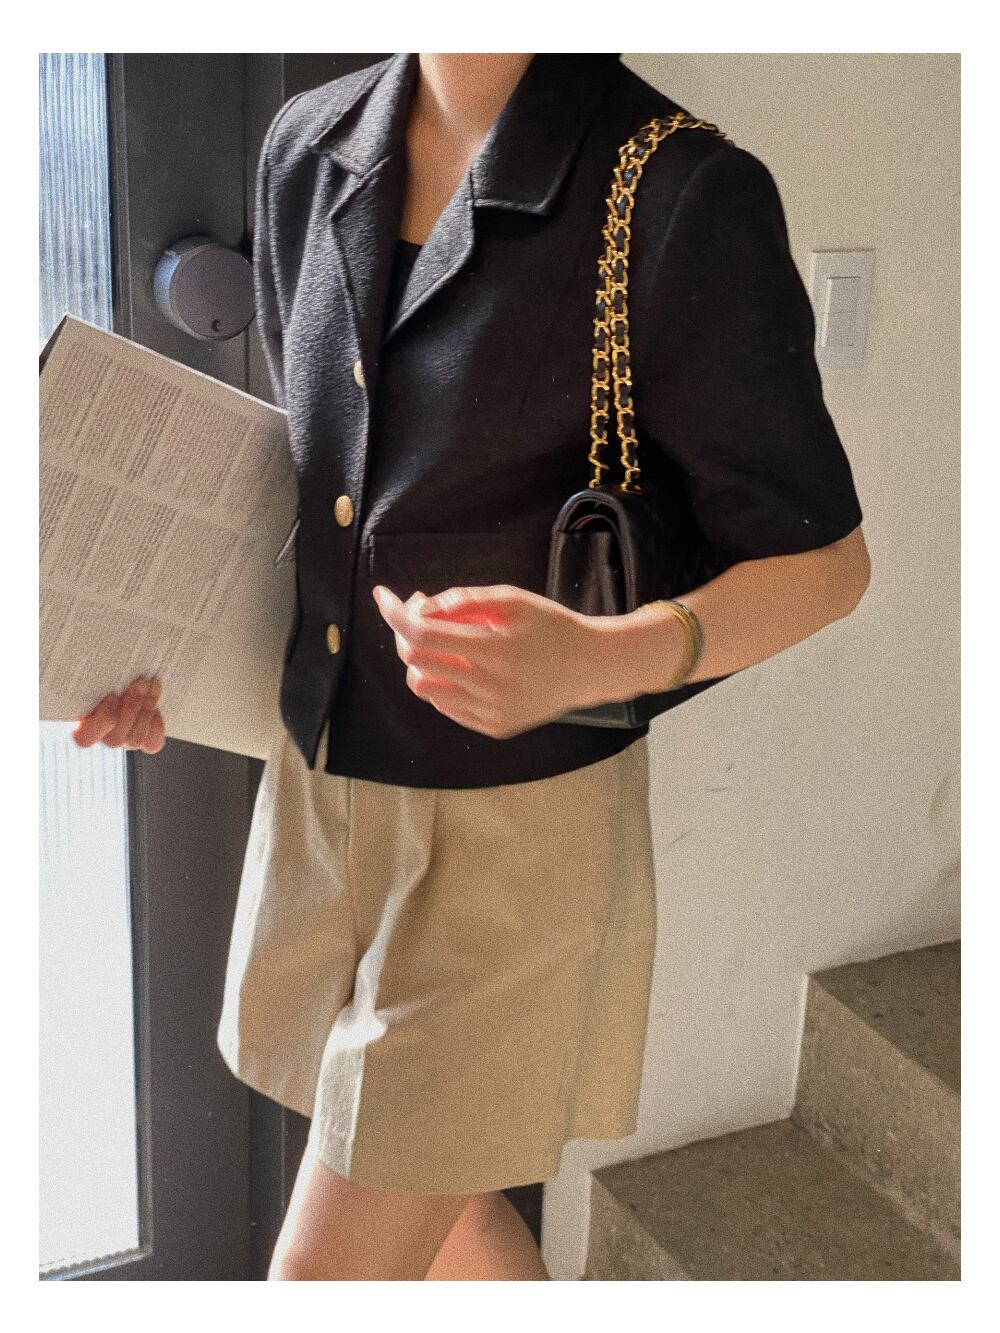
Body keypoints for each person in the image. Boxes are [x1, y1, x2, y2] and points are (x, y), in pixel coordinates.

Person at [72, 53, 871, 1280]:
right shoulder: (310, 145)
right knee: (433, 1200)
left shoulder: (679, 193)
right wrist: (160, 654)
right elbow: (321, 494)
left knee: (325, 1273)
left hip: (514, 839)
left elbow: (825, 564)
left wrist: (602, 657)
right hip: (322, 788)